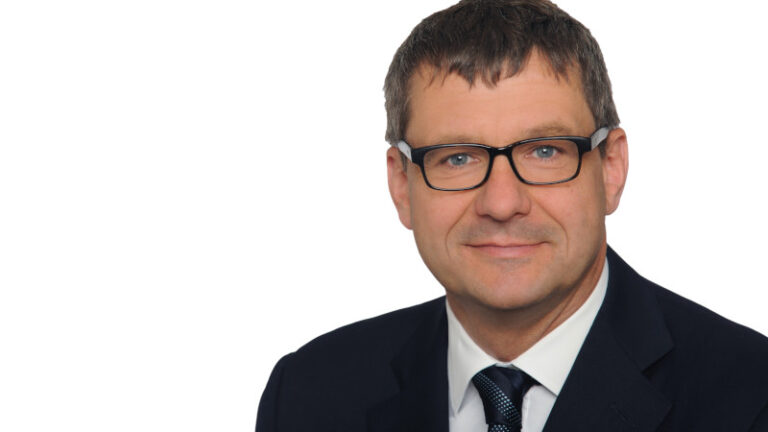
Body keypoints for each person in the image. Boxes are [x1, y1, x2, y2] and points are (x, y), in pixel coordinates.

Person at [256, 0, 768, 430]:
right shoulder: (308, 395)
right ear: (401, 185)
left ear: (611, 169)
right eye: (458, 158)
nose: (502, 204)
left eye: (545, 151)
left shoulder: (751, 396)